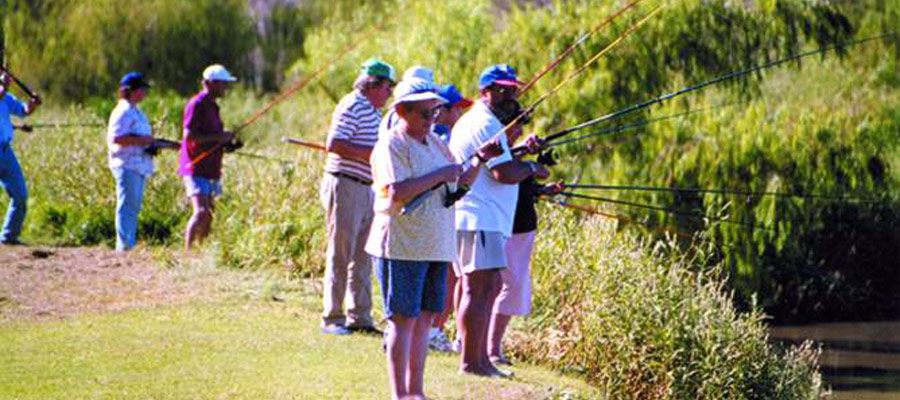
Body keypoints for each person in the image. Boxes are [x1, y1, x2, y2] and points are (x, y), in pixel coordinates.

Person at [366, 78, 499, 400]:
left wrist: (479, 160)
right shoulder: (391, 143)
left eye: (434, 112)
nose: (430, 119)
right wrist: (441, 175)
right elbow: (395, 191)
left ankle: (417, 391)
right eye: (424, 113)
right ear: (402, 111)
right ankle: (401, 395)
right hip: (400, 245)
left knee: (425, 320)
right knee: (402, 319)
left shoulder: (437, 143)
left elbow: (455, 187)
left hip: (437, 244)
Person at [447, 64, 547, 377]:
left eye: (513, 89)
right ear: (484, 91)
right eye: (502, 89)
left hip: (481, 218)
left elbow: (500, 162)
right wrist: (532, 168)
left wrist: (519, 155)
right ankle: (473, 363)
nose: (510, 95)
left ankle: (477, 359)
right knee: (480, 289)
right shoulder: (485, 123)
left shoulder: (488, 123)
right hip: (481, 217)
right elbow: (504, 174)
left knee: (484, 287)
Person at [320, 59, 395, 336]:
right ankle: (333, 317)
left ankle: (360, 316)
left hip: (367, 187)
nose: (390, 93)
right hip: (346, 184)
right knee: (340, 252)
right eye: (388, 86)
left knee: (363, 254)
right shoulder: (353, 105)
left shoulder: (374, 111)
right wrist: (373, 155)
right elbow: (335, 144)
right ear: (374, 85)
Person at [486, 99, 564, 365]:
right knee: (507, 286)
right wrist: (531, 165)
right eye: (516, 126)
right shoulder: (500, 150)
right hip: (511, 227)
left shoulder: (510, 151)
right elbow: (506, 175)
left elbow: (521, 186)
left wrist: (544, 190)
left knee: (511, 286)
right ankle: (491, 349)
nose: (519, 131)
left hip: (522, 225)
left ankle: (490, 347)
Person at [106, 72, 179, 252]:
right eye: (141, 89)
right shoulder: (122, 111)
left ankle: (128, 244)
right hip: (125, 164)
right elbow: (117, 138)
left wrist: (171, 145)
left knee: (133, 206)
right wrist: (143, 141)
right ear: (130, 90)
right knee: (127, 206)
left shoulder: (137, 112)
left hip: (138, 165)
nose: (144, 93)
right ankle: (124, 247)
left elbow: (146, 139)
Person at [427, 83, 474, 353]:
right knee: (447, 276)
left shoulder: (447, 135)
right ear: (441, 109)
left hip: (449, 213)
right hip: (441, 214)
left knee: (452, 276)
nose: (459, 114)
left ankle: (438, 330)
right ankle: (433, 330)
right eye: (456, 108)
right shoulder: (437, 137)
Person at [178, 64, 238, 250]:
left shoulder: (213, 107)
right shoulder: (196, 104)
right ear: (211, 83)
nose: (226, 88)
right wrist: (220, 137)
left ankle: (200, 250)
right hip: (195, 166)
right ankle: (187, 251)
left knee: (209, 213)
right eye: (223, 83)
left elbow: (210, 137)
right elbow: (190, 136)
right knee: (201, 211)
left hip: (212, 167)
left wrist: (227, 143)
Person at [0, 72, 41, 245]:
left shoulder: (6, 98)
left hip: (5, 151)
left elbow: (24, 111)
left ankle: (9, 237)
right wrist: (3, 86)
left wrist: (33, 104)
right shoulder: (2, 93)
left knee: (20, 195)